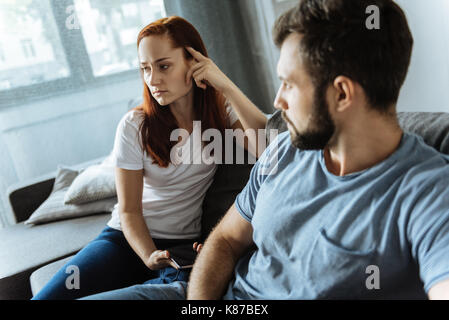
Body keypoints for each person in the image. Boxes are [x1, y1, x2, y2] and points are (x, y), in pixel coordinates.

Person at [82, 0, 449, 300]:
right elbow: (225, 240)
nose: (277, 100)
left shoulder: (428, 191)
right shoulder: (286, 151)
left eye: (288, 84)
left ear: (341, 93)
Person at [32, 16, 267, 300]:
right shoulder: (134, 126)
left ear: (194, 62)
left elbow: (268, 152)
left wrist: (225, 84)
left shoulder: (221, 113)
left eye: (163, 66)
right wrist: (147, 254)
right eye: (145, 68)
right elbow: (129, 210)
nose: (152, 79)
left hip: (182, 245)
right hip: (124, 240)